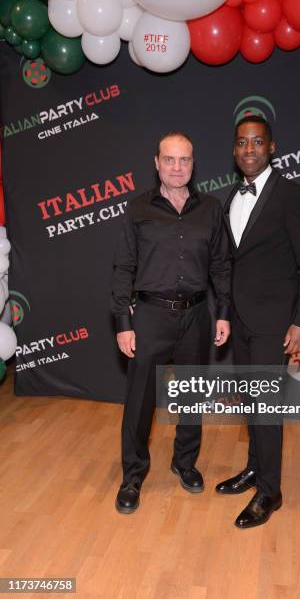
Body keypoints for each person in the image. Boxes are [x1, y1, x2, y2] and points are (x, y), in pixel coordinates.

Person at [111, 131, 231, 514]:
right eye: (169, 159)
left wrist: (224, 312)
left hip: (197, 315)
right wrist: (123, 321)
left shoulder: (211, 209)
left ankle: (185, 463)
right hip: (149, 316)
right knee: (140, 401)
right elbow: (123, 267)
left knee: (192, 393)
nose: (177, 167)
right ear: (156, 162)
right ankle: (133, 476)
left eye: (185, 160)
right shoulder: (137, 209)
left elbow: (220, 266)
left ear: (194, 164)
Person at [216, 115, 300, 529]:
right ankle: (254, 469)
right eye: (242, 142)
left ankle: (270, 491)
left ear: (272, 147)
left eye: (257, 142)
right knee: (251, 402)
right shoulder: (230, 196)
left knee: (265, 406)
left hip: (274, 322)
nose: (249, 149)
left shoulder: (292, 196)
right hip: (241, 320)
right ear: (234, 149)